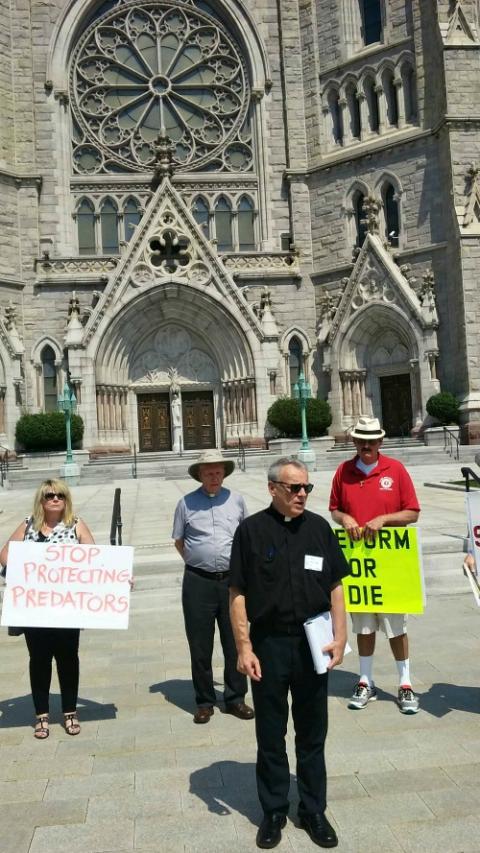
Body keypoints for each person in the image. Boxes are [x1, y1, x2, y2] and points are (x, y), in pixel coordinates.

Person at [230, 457, 349, 849]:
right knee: (271, 731)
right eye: (294, 488)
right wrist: (244, 647)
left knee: (313, 730)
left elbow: (335, 586)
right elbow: (238, 592)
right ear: (273, 489)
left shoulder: (319, 529)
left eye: (306, 488)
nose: (302, 495)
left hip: (314, 641)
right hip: (270, 644)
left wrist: (341, 635)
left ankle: (313, 809)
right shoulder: (250, 532)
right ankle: (274, 809)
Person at [329, 416, 421, 714]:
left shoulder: (395, 470)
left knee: (396, 627)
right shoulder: (344, 471)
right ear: (354, 441)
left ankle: (405, 683)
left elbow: (412, 513)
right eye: (360, 440)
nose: (366, 445)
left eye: (371, 440)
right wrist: (346, 519)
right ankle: (365, 680)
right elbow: (335, 509)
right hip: (360, 564)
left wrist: (384, 519)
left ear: (381, 441)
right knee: (364, 626)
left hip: (391, 563)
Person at [0, 479, 95, 739]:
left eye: (60, 495)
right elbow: (5, 554)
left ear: (66, 499)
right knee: (39, 660)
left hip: (66, 608)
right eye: (49, 495)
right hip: (36, 608)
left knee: (68, 659)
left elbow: (96, 560)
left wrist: (117, 579)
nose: (55, 499)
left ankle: (70, 712)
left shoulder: (76, 525)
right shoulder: (28, 523)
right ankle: (41, 715)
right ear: (41, 500)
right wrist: (26, 567)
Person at [172, 449, 254, 724]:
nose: (214, 476)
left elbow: (246, 539)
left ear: (224, 473)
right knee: (200, 643)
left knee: (235, 640)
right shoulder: (186, 503)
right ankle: (204, 700)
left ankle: (235, 698)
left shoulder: (237, 501)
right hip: (198, 582)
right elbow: (179, 541)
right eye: (208, 472)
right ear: (200, 475)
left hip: (232, 582)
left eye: (218, 471)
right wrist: (200, 562)